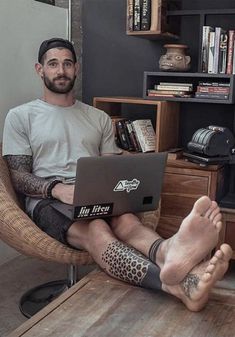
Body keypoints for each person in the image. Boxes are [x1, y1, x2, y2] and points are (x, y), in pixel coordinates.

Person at [2, 38, 232, 312]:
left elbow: (110, 167)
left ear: (76, 68)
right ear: (40, 69)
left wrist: (120, 190)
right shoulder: (21, 116)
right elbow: (17, 175)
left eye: (67, 63)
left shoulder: (97, 117)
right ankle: (175, 285)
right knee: (98, 229)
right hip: (48, 200)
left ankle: (168, 251)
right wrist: (56, 189)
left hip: (94, 192)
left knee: (128, 222)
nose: (60, 70)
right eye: (53, 64)